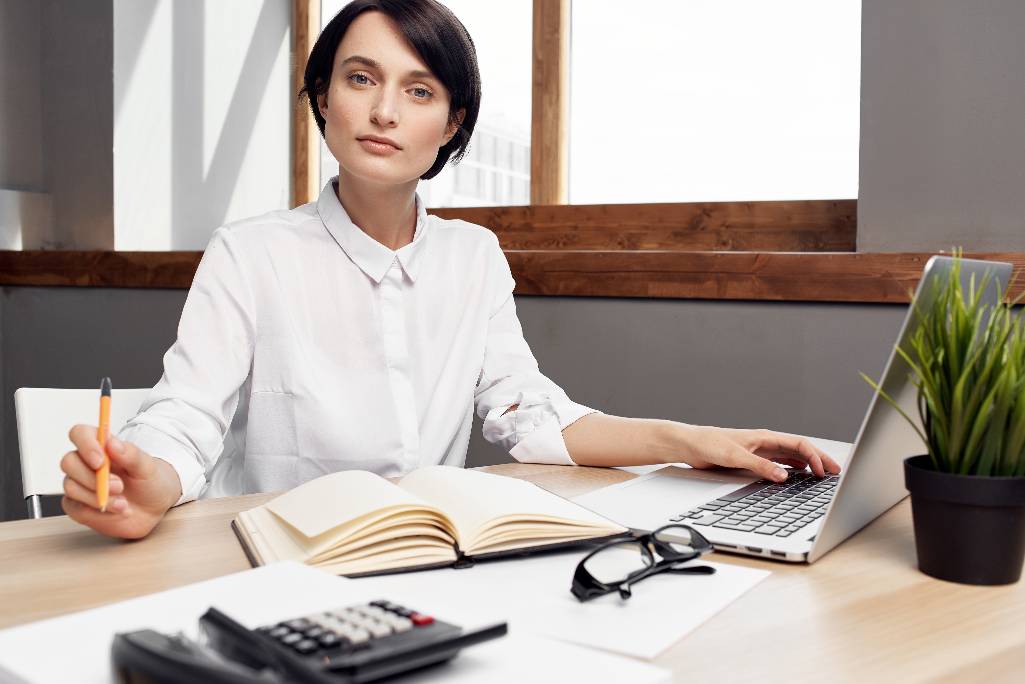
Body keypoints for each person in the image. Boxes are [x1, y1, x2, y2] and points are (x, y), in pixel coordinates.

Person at [59, 0, 840, 540]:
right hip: (278, 561)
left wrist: (691, 439)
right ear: (323, 96)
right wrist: (152, 475)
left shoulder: (473, 257)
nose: (384, 112)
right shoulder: (250, 251)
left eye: (419, 89)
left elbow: (529, 415)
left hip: (426, 559)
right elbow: (187, 411)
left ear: (452, 120)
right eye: (360, 78)